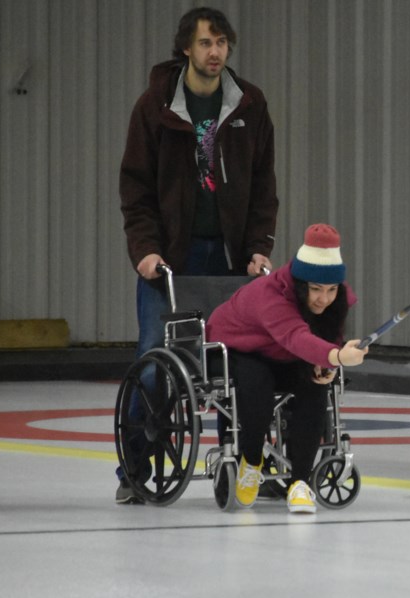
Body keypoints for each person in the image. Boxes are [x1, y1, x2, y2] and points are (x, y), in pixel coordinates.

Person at [117, 6, 278, 503]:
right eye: (206, 43)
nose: (215, 53)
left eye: (222, 44)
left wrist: (258, 249)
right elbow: (136, 189)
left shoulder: (250, 105)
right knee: (153, 362)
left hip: (232, 262)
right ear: (186, 47)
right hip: (170, 262)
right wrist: (145, 252)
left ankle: (247, 462)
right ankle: (135, 471)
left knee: (241, 363)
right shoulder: (154, 107)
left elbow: (263, 188)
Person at [206, 224, 368, 512]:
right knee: (257, 385)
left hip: (286, 353)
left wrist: (326, 364)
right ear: (299, 284)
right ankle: (252, 459)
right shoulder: (272, 296)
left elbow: (329, 334)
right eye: (316, 290)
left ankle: (300, 482)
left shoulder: (335, 298)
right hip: (241, 347)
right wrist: (336, 356)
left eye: (332, 290)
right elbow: (296, 336)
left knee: (316, 386)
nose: (324, 299)